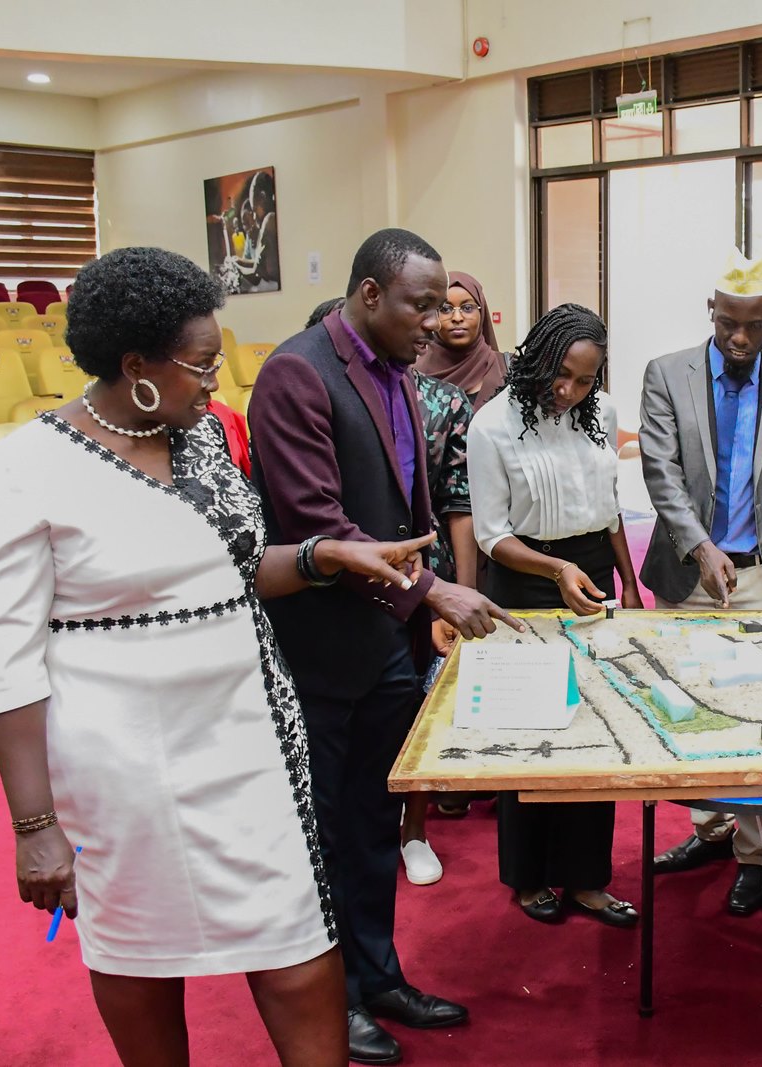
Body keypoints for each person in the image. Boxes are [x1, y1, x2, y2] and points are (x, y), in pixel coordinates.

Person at [0, 246, 441, 1067]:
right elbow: (7, 659)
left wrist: (330, 555)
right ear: (135, 366)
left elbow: (238, 568)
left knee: (299, 946)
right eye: (199, 365)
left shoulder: (200, 443)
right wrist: (34, 826)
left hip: (248, 739)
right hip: (126, 763)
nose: (215, 381)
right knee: (140, 956)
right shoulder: (25, 468)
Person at [249, 228, 519, 1066]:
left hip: (388, 645)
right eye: (421, 304)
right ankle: (333, 1002)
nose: (437, 321)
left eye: (443, 305)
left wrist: (423, 594)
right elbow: (315, 526)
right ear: (369, 294)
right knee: (325, 835)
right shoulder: (297, 372)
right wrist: (431, 589)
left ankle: (379, 974)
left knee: (372, 826)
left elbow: (411, 510)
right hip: (323, 652)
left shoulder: (399, 372)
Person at [637, 249, 762, 916]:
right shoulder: (667, 374)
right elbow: (660, 472)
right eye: (729, 325)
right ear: (711, 313)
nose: (741, 339)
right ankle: (710, 828)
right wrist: (699, 547)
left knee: (753, 716)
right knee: (688, 706)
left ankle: (755, 855)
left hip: (758, 576)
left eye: (755, 326)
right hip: (687, 574)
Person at [467, 302, 644, 929]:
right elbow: (491, 535)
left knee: (599, 728)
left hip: (591, 570)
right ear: (537, 358)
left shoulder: (603, 414)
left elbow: (610, 506)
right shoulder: (492, 426)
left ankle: (588, 879)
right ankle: (530, 874)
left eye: (584, 380)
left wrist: (626, 578)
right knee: (534, 730)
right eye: (560, 375)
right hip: (525, 580)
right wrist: (555, 570)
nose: (568, 392)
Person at [396, 310, 483, 885]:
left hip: (428, 578)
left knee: (419, 705)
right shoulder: (311, 393)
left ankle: (413, 831)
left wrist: (456, 593)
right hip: (340, 579)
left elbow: (458, 502)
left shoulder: (442, 402)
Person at [414, 270, 508, 409]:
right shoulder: (413, 376)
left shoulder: (509, 369)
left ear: (481, 313)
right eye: (446, 309)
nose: (457, 318)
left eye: (467, 308)